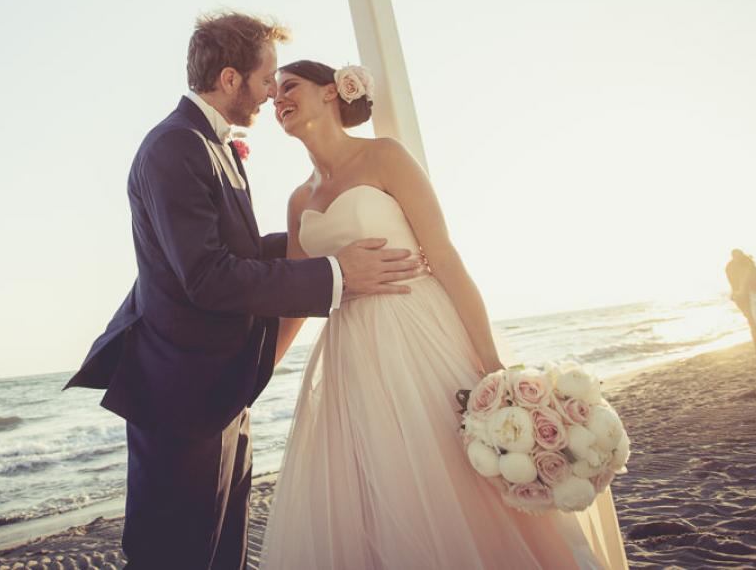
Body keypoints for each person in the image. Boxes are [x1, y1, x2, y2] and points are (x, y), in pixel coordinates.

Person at [64, 14, 425, 570]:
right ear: (230, 79)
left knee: (220, 555)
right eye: (265, 79)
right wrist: (336, 273)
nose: (268, 93)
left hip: (220, 393)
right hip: (181, 399)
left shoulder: (212, 145)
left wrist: (321, 236)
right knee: (175, 557)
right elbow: (208, 276)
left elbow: (237, 250)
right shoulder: (174, 147)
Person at [259, 60, 627, 570]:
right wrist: (258, 374)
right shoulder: (300, 200)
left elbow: (446, 257)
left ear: (330, 93)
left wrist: (490, 358)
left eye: (290, 87)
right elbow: (295, 298)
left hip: (419, 330)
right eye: (274, 92)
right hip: (351, 356)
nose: (278, 98)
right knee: (382, 485)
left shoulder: (385, 156)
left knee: (458, 472)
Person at [724, 249, 756, 360]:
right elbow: (738, 282)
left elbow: (735, 283)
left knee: (755, 323)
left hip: (744, 296)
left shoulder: (733, 266)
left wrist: (736, 292)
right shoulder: (737, 266)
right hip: (745, 297)